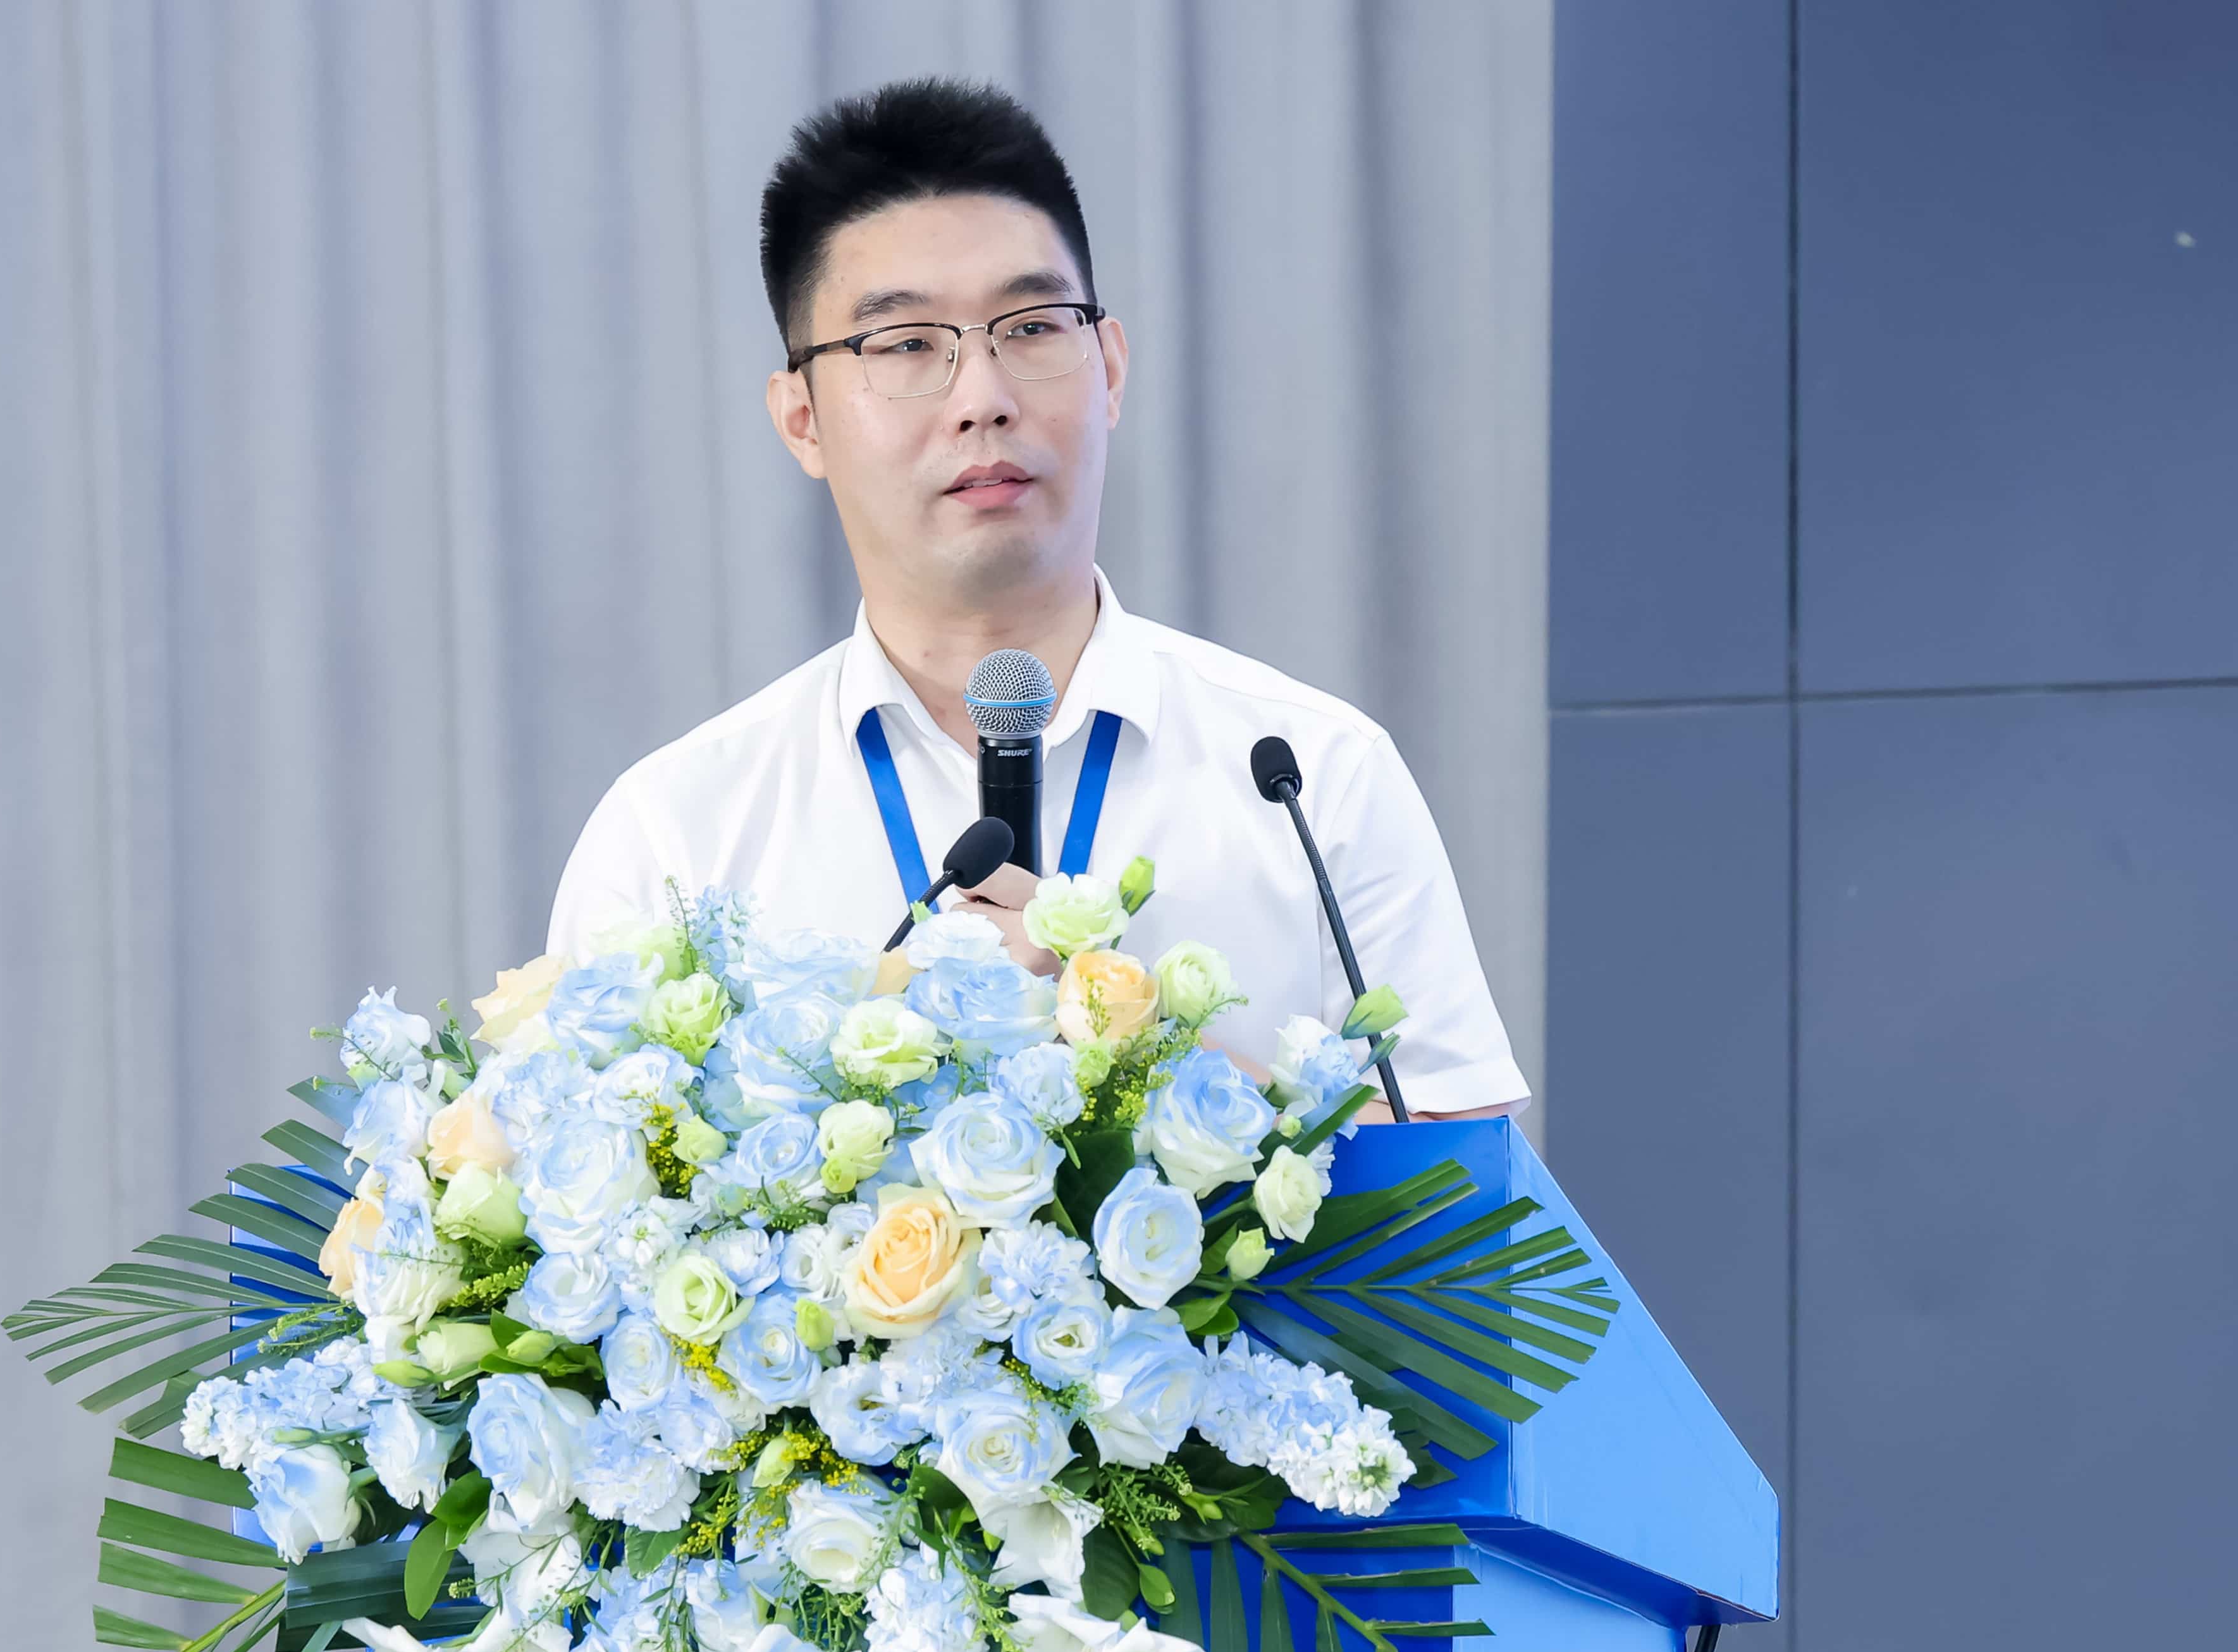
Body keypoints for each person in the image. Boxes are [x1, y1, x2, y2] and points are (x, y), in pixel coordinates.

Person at [547, 78, 1524, 1118]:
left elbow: (1472, 1195)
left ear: (1110, 368)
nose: (984, 398)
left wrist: (1145, 1055)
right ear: (803, 421)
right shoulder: (679, 834)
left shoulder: (1311, 779)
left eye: (1032, 327)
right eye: (907, 344)